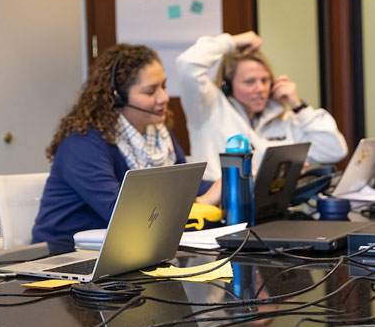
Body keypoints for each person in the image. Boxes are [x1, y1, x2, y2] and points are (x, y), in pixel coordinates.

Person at [32, 44, 217, 254]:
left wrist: (228, 184)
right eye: (150, 91)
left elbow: (184, 185)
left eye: (164, 86)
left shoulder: (158, 134)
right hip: (67, 257)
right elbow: (123, 216)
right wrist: (201, 201)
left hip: (125, 252)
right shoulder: (82, 143)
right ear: (117, 96)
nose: (163, 98)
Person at [173, 31, 347, 181]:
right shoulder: (209, 108)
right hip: (223, 208)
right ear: (228, 86)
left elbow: (334, 150)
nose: (261, 89)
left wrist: (299, 107)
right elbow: (187, 64)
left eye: (265, 80)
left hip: (274, 209)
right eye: (250, 82)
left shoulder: (283, 118)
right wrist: (233, 41)